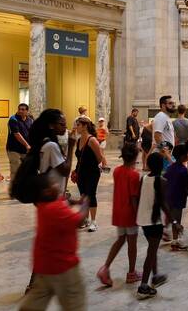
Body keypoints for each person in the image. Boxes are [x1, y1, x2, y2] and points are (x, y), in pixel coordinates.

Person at [19, 172, 89, 311]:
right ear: (47, 191)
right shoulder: (55, 209)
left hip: (43, 268)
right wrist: (85, 205)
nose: (57, 184)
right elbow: (79, 220)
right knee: (75, 304)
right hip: (63, 268)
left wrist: (75, 202)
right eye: (53, 183)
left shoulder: (43, 204)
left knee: (34, 303)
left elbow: (64, 200)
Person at [96, 143, 142, 287]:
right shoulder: (134, 175)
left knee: (120, 240)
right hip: (130, 214)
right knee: (132, 244)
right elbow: (134, 198)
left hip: (118, 212)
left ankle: (105, 267)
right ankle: (131, 273)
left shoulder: (117, 171)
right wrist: (138, 216)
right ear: (135, 156)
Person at [135, 152, 170, 300]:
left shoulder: (143, 179)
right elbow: (164, 203)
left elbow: (138, 198)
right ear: (162, 166)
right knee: (151, 252)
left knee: (152, 248)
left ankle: (155, 276)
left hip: (143, 220)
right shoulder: (162, 181)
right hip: (154, 222)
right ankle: (143, 286)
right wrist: (174, 221)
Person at [72, 117, 107, 232]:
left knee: (91, 194)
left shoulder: (92, 140)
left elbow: (99, 158)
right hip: (81, 172)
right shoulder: (78, 140)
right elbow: (78, 158)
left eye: (78, 125)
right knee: (83, 195)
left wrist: (91, 165)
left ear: (85, 126)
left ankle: (94, 221)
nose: (76, 127)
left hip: (92, 172)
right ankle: (85, 219)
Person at [164, 144, 188, 251]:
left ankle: (172, 236)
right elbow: (187, 187)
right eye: (187, 154)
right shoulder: (184, 170)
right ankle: (175, 241)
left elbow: (165, 181)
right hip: (178, 198)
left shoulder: (170, 168)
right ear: (182, 156)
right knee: (177, 219)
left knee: (172, 219)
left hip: (168, 197)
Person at [7, 103, 34, 185]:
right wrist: (27, 145)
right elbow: (17, 134)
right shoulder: (13, 119)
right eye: (19, 109)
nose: (20, 111)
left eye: (23, 109)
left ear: (27, 111)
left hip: (25, 150)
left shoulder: (30, 120)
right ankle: (13, 190)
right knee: (15, 170)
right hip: (14, 149)